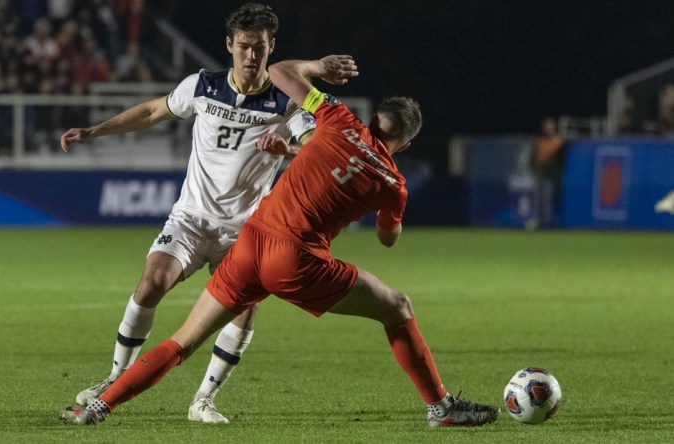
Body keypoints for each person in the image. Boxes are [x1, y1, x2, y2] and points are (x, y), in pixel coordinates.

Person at [60, 53, 500, 428]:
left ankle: (100, 406)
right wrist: (386, 207)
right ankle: (440, 407)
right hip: (296, 260)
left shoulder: (336, 118)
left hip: (250, 242)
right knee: (397, 307)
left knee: (184, 340)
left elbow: (280, 72)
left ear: (371, 119)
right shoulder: (393, 182)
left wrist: (317, 66)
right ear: (402, 145)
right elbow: (388, 238)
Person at [59, 3, 315, 424]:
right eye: (245, 46)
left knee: (245, 307)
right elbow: (151, 111)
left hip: (247, 229)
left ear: (272, 49)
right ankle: (115, 377)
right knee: (150, 284)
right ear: (230, 45)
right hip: (192, 218)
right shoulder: (202, 86)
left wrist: (287, 148)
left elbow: (319, 146)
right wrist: (96, 131)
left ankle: (204, 400)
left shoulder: (287, 102)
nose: (252, 56)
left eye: (261, 49)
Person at [529, 117, 565, 228]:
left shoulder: (557, 141)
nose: (550, 128)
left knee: (548, 202)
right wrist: (534, 170)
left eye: (552, 126)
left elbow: (558, 153)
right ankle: (540, 223)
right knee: (539, 201)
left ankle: (547, 225)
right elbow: (533, 158)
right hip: (540, 175)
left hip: (551, 176)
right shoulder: (539, 141)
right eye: (548, 126)